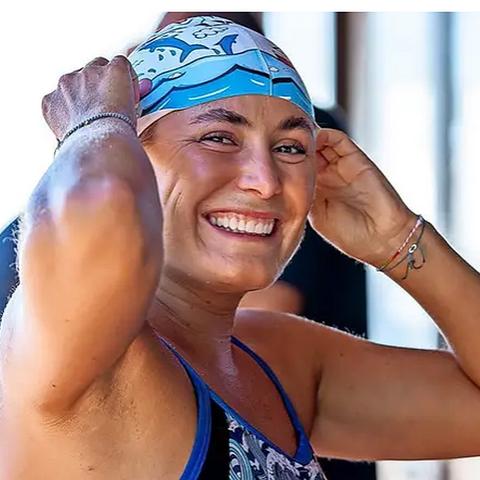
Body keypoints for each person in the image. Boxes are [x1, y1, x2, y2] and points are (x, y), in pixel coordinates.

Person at [0, 15, 479, 479]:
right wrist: (95, 122)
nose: (265, 181)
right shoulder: (77, 349)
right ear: (134, 156)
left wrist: (397, 238)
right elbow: (96, 211)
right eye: (218, 138)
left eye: (290, 147)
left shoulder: (277, 364)